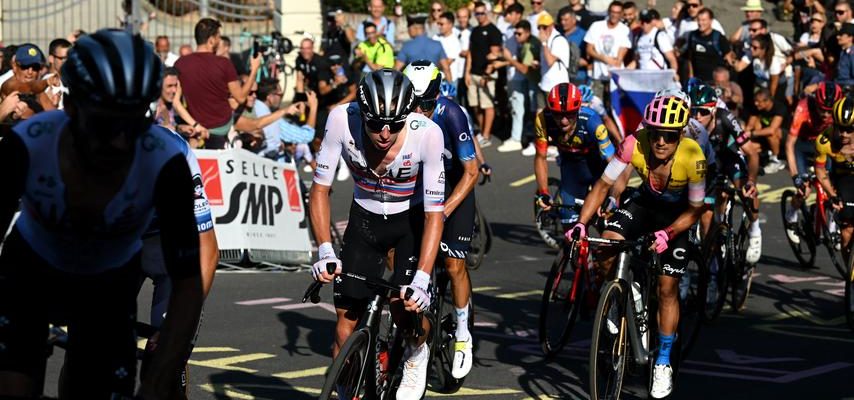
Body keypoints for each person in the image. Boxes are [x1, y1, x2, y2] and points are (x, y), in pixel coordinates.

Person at [0, 29, 204, 399]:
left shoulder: (166, 162)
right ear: (71, 107)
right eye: (104, 121)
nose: (119, 139)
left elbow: (188, 279)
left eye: (131, 121)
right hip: (31, 269)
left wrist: (160, 375)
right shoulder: (29, 143)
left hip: (108, 280)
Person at [309, 69, 445, 400]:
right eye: (375, 124)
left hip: (408, 223)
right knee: (345, 324)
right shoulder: (341, 119)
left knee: (404, 308)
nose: (385, 133)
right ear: (362, 113)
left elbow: (433, 214)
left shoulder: (427, 134)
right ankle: (346, 392)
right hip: (365, 220)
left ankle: (417, 352)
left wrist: (423, 278)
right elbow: (319, 190)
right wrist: (325, 250)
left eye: (395, 124)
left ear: (409, 115)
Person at [570, 95, 706, 399]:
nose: (660, 142)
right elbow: (603, 185)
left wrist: (668, 233)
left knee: (667, 288)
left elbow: (696, 209)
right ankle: (622, 293)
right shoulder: (633, 143)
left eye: (669, 136)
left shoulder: (693, 155)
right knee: (607, 242)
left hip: (677, 217)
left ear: (680, 134)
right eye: (655, 132)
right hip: (644, 205)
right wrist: (581, 223)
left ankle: (662, 361)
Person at [404, 60, 478, 380]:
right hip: (422, 188)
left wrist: (445, 209)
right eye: (414, 104)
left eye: (427, 103)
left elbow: (472, 171)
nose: (420, 111)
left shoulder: (451, 113)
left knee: (452, 265)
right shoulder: (402, 113)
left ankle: (463, 332)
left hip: (454, 189)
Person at [689, 84, 762, 264]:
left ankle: (755, 230)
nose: (697, 116)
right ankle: (716, 236)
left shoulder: (726, 118)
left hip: (729, 157)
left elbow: (751, 153)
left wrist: (751, 182)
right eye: (694, 111)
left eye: (703, 112)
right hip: (709, 163)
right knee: (709, 210)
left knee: (745, 190)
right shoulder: (688, 126)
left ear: (713, 110)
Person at [534, 82, 614, 228]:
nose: (564, 120)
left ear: (578, 109)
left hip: (596, 167)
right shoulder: (543, 119)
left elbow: (614, 164)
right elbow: (540, 157)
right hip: (571, 171)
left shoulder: (593, 122)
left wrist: (613, 197)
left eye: (569, 114)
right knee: (571, 236)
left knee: (607, 231)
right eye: (557, 115)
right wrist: (544, 192)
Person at [175, 18, 261, 149]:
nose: (220, 41)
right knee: (256, 127)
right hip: (222, 128)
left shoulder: (180, 64)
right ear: (211, 40)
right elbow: (241, 97)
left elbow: (176, 102)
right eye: (218, 37)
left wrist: (195, 125)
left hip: (197, 129)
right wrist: (254, 70)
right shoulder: (224, 64)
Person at [785, 82, 843, 243]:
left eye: (829, 111)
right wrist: (795, 175)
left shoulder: (839, 108)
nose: (825, 115)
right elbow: (790, 144)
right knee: (804, 189)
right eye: (822, 110)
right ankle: (791, 213)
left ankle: (830, 223)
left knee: (833, 187)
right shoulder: (803, 108)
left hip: (825, 145)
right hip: (803, 146)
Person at [813, 96, 854, 261]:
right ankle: (850, 274)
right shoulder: (824, 141)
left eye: (850, 129)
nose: (844, 134)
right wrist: (832, 194)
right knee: (847, 232)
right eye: (840, 128)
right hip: (844, 178)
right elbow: (821, 171)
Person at [499, 19, 541, 153]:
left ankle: (537, 143)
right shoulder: (525, 43)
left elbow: (524, 69)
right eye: (515, 33)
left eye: (519, 34)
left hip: (537, 83)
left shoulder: (531, 45)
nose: (516, 36)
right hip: (532, 81)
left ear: (528, 33)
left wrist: (509, 59)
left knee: (536, 111)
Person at [465, 2, 503, 147]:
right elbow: (470, 53)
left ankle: (486, 135)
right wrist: (467, 72)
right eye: (477, 13)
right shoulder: (474, 31)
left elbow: (494, 56)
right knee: (475, 105)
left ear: (487, 12)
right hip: (473, 73)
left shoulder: (493, 31)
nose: (480, 16)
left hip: (486, 75)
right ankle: (482, 131)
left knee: (487, 105)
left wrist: (487, 76)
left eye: (482, 13)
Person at [254, 78, 318, 159]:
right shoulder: (272, 119)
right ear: (270, 97)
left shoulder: (255, 107)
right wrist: (313, 107)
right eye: (280, 95)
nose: (281, 98)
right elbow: (306, 135)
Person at [584, 1, 631, 102]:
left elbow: (622, 53)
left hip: (615, 76)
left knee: (614, 106)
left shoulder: (625, 30)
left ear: (622, 14)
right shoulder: (596, 26)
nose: (614, 15)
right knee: (596, 104)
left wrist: (613, 66)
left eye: (618, 12)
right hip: (597, 75)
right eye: (613, 12)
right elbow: (589, 49)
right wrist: (604, 58)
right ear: (609, 12)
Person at [395, 14, 453, 80]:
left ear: (414, 28)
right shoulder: (437, 44)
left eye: (408, 27)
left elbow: (396, 70)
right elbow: (446, 68)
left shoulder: (407, 46)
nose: (408, 30)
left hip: (413, 87)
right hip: (433, 87)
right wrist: (451, 86)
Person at [684, 8, 733, 84]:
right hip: (698, 81)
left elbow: (729, 60)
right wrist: (691, 76)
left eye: (703, 20)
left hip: (714, 82)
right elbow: (690, 57)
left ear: (711, 21)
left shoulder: (718, 37)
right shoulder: (693, 36)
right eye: (699, 20)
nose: (700, 23)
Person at [744, 88, 786, 173]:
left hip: (784, 136)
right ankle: (762, 157)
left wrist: (751, 133)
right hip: (763, 135)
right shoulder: (757, 108)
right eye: (755, 101)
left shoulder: (779, 107)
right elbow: (749, 126)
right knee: (749, 147)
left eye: (759, 101)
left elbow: (772, 130)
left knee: (772, 134)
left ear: (767, 101)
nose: (756, 104)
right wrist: (744, 140)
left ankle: (776, 160)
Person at [630, 8, 679, 78]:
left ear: (652, 22)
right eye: (642, 21)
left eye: (647, 21)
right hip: (643, 78)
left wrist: (674, 74)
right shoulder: (638, 37)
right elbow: (636, 60)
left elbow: (672, 59)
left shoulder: (660, 36)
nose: (644, 24)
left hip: (659, 77)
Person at [433, 11, 466, 85]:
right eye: (438, 24)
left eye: (441, 24)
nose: (439, 26)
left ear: (450, 24)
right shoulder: (435, 37)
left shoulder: (455, 41)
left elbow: (447, 63)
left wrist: (431, 66)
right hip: (435, 80)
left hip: (449, 81)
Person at [559, 6, 589, 85]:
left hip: (579, 78)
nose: (563, 22)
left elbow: (589, 60)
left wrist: (581, 62)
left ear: (574, 20)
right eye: (561, 19)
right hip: (561, 77)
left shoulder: (584, 35)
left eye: (566, 20)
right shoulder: (558, 34)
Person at [837, 23, 854, 88]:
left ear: (850, 38)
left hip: (847, 90)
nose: (838, 37)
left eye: (841, 35)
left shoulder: (852, 54)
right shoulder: (843, 52)